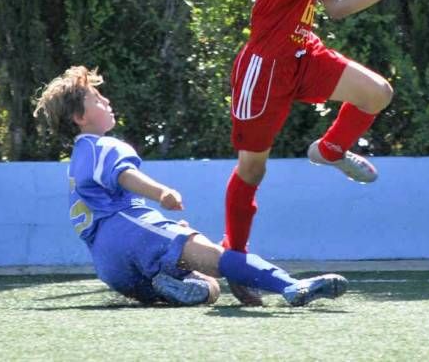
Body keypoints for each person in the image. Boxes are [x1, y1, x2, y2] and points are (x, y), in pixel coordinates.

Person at [223, 0, 424, 303]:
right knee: (252, 170)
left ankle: (330, 149)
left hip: (303, 54)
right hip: (265, 70)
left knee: (376, 93)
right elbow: (334, 7)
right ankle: (236, 262)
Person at [33, 65, 347, 308]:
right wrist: (161, 194)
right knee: (220, 257)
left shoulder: (78, 157)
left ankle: (169, 282)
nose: (107, 100)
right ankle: (289, 285)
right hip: (130, 231)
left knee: (209, 289)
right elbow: (124, 175)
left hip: (109, 264)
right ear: (79, 117)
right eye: (97, 99)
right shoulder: (101, 146)